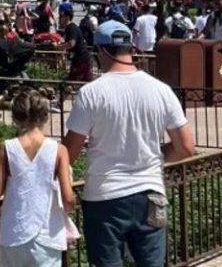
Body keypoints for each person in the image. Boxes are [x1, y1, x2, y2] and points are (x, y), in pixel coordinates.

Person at [62, 21, 195, 267]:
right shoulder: (161, 90)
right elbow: (186, 147)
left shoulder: (91, 93)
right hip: (150, 192)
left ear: (101, 51)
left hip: (105, 196)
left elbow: (68, 153)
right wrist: (156, 155)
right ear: (131, 49)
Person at [0, 90, 76, 267]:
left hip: (14, 232)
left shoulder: (6, 147)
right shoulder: (59, 150)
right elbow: (68, 198)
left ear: (16, 118)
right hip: (47, 234)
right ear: (45, 117)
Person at [57, 3, 93, 83]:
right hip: (78, 59)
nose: (59, 19)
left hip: (81, 59)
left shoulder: (72, 28)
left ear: (67, 17)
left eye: (61, 16)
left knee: (74, 82)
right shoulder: (68, 29)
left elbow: (71, 43)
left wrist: (59, 47)